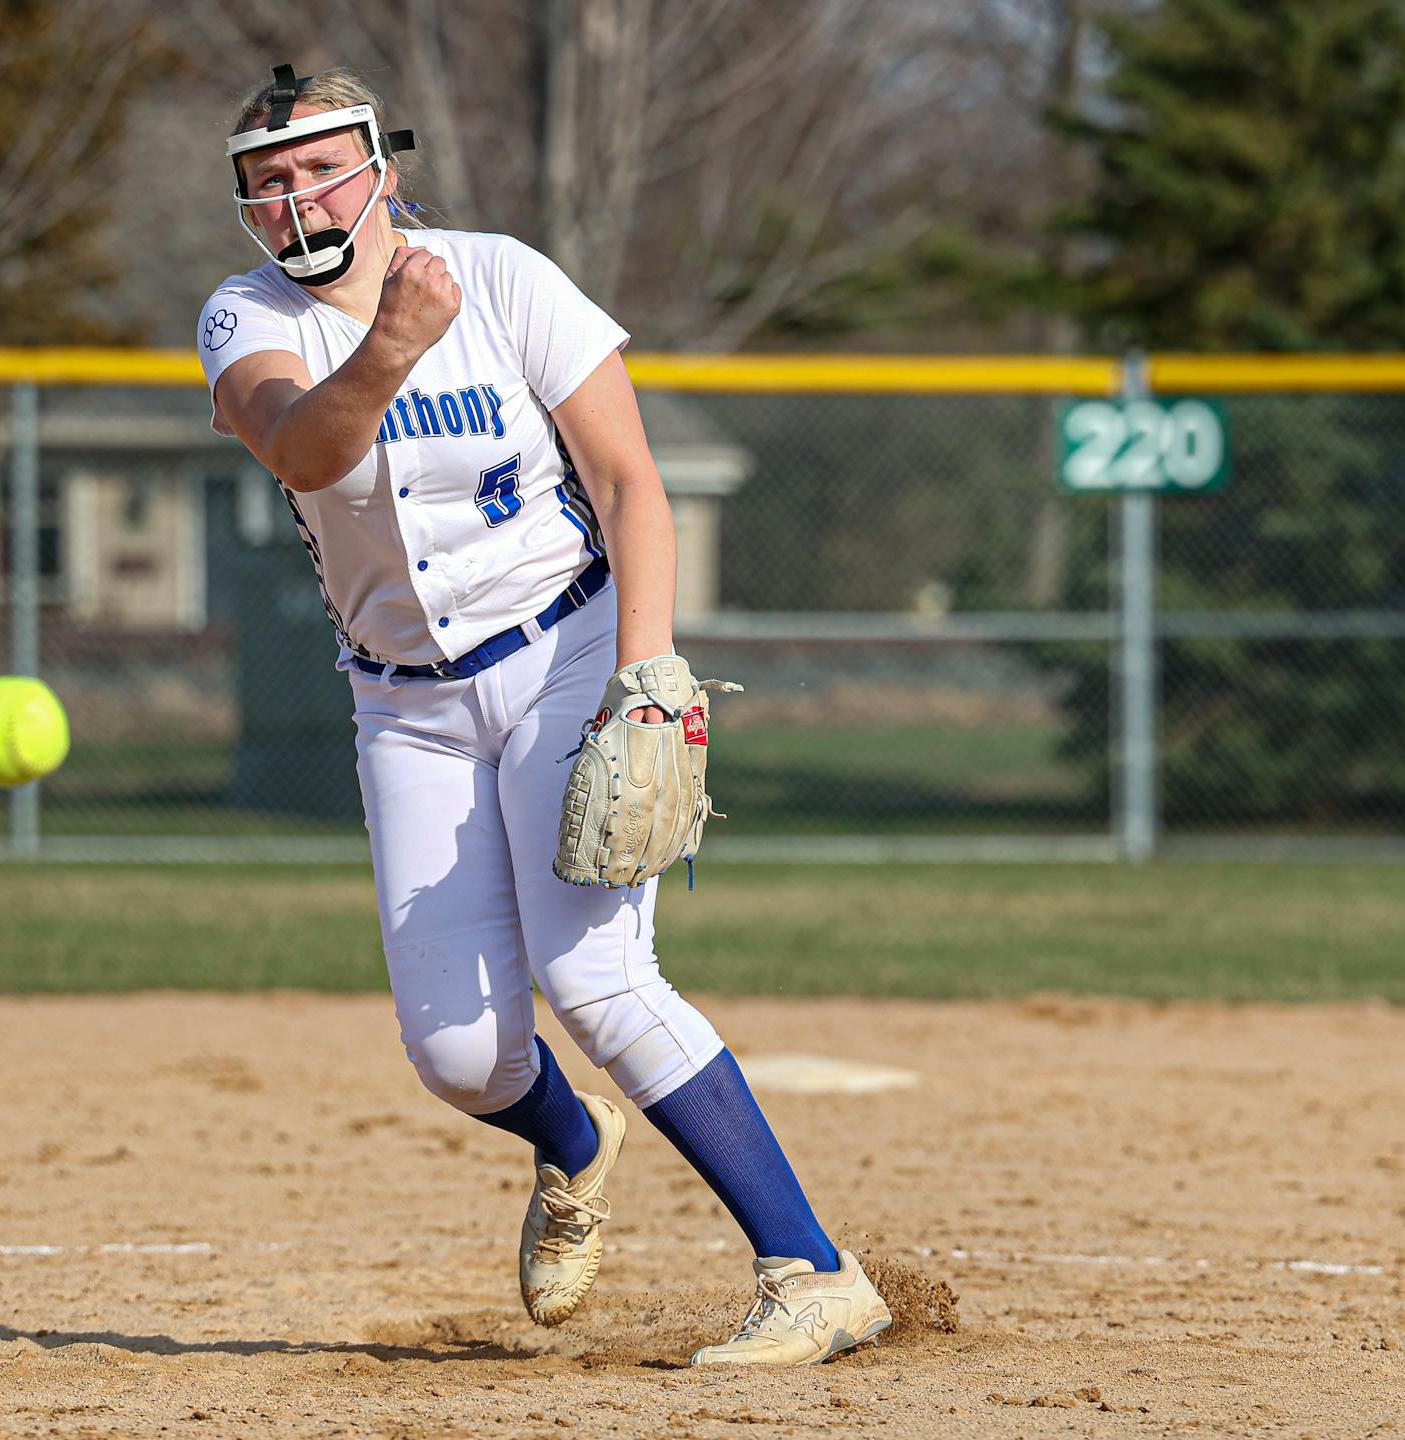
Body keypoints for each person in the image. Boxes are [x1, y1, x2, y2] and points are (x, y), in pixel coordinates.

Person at [198, 65, 891, 1367]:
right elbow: (304, 452)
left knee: (595, 977)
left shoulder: (501, 275)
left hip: (564, 650)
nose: (299, 199)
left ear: (381, 168)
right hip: (405, 704)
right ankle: (573, 1144)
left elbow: (628, 483)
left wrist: (646, 675)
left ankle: (812, 1271)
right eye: (270, 180)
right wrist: (392, 344)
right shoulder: (246, 317)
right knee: (459, 1056)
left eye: (323, 167)